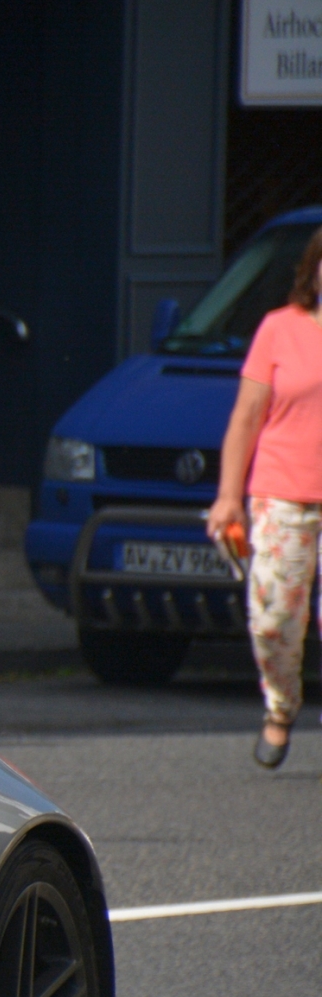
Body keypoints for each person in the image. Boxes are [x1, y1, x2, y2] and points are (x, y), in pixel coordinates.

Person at [207, 225, 322, 768]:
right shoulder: (279, 329)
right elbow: (246, 415)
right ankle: (281, 708)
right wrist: (228, 497)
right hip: (281, 493)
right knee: (275, 619)